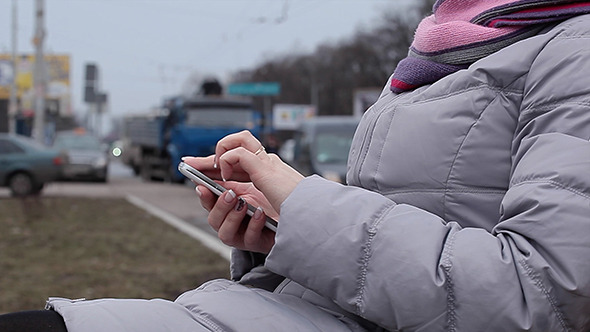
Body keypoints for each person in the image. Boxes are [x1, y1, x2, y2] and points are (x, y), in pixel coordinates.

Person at [2, 1, 590, 331]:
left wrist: (305, 202)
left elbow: (543, 295)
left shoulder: (573, 49)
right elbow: (405, 225)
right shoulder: (446, 45)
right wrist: (279, 232)